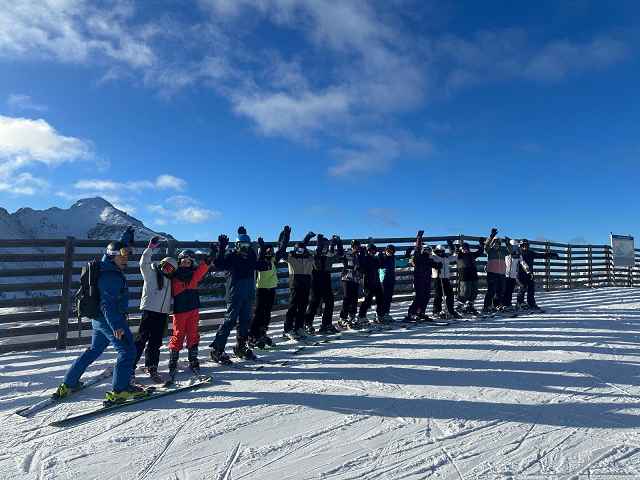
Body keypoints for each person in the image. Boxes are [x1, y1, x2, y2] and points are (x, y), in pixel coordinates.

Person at [56, 227, 146, 403]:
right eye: (123, 255)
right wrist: (117, 326)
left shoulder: (105, 264)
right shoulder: (111, 276)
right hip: (110, 320)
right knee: (127, 351)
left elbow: (114, 248)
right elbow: (107, 305)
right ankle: (120, 390)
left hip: (97, 320)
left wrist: (126, 237)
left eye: (127, 254)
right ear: (113, 256)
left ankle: (69, 383)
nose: (126, 258)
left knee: (94, 350)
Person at [210, 227, 260, 364]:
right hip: (235, 294)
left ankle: (241, 347)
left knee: (245, 321)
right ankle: (217, 349)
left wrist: (243, 236)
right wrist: (221, 249)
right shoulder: (232, 256)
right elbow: (219, 264)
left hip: (248, 293)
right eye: (241, 245)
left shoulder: (251, 256)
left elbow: (258, 265)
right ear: (236, 245)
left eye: (246, 245)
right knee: (229, 321)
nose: (244, 248)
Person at [134, 236, 176, 383]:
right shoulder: (151, 273)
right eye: (165, 266)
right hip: (149, 311)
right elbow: (143, 263)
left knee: (155, 342)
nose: (166, 269)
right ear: (161, 264)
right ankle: (129, 368)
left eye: (170, 268)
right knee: (141, 340)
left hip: (162, 314)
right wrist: (150, 248)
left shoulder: (171, 281)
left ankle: (152, 366)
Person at [167, 246, 213, 379]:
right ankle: (173, 361)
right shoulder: (174, 276)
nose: (186, 263)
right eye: (183, 261)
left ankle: (193, 359)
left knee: (193, 334)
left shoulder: (194, 275)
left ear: (192, 263)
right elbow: (164, 272)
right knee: (178, 334)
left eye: (189, 262)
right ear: (179, 261)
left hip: (193, 310)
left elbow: (203, 269)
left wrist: (210, 257)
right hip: (180, 311)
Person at [248, 232, 287, 349]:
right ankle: (252, 336)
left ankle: (262, 333)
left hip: (272, 289)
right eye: (267, 250)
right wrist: (262, 246)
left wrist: (285, 236)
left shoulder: (274, 260)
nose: (270, 252)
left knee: (267, 313)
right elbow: (259, 261)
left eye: (271, 250)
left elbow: (282, 248)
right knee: (259, 312)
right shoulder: (261, 260)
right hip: (262, 288)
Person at [280, 227, 316, 339]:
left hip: (306, 284)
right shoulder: (291, 258)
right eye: (298, 250)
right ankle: (288, 329)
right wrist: (286, 237)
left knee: (303, 306)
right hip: (295, 285)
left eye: (302, 250)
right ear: (295, 250)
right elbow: (281, 251)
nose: (300, 252)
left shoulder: (309, 258)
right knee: (293, 307)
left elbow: (303, 245)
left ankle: (299, 327)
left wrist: (307, 238)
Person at [305, 233, 340, 335]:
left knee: (330, 301)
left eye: (327, 245)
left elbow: (340, 253)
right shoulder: (314, 253)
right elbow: (304, 248)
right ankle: (307, 323)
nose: (326, 247)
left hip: (326, 279)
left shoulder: (329, 255)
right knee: (314, 302)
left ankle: (326, 324)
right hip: (315, 279)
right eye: (324, 245)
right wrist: (308, 238)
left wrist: (337, 242)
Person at [517, 239, 560, 310]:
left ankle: (531, 304)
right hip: (520, 274)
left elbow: (541, 255)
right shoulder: (518, 253)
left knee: (531, 289)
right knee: (523, 288)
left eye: (526, 245)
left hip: (529, 274)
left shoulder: (531, 253)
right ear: (520, 246)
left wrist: (552, 254)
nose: (525, 247)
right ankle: (520, 303)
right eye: (523, 246)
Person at [404, 230, 436, 322]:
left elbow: (434, 264)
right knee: (419, 296)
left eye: (429, 251)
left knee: (426, 296)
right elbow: (417, 248)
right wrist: (419, 238)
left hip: (427, 280)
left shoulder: (429, 259)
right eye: (426, 250)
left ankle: (421, 312)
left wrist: (438, 265)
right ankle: (411, 313)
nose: (427, 252)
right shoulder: (419, 257)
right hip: (419, 279)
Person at [482, 228, 512, 314]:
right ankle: (486, 306)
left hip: (501, 273)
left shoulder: (503, 251)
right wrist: (491, 236)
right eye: (495, 243)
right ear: (493, 244)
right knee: (491, 290)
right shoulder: (490, 251)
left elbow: (510, 251)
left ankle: (497, 305)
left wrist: (507, 243)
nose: (496, 245)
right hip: (492, 273)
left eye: (498, 243)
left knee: (500, 291)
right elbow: (486, 245)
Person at [337, 239, 365, 329]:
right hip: (347, 277)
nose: (357, 248)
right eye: (355, 246)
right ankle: (343, 318)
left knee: (354, 298)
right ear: (352, 246)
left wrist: (362, 254)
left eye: (358, 246)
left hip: (356, 278)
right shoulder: (348, 252)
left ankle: (352, 316)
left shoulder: (359, 255)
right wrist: (339, 243)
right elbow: (340, 254)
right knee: (347, 297)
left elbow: (361, 265)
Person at [358, 242, 386, 324]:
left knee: (380, 299)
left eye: (374, 251)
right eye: (371, 251)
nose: (373, 252)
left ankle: (380, 315)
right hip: (368, 282)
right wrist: (362, 253)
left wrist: (381, 257)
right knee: (367, 300)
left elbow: (381, 265)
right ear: (368, 251)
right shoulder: (365, 259)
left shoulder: (375, 259)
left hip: (376, 282)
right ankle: (361, 316)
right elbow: (361, 266)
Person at [454, 240, 485, 315]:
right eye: (464, 248)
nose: (465, 250)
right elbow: (455, 251)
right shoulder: (459, 255)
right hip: (464, 275)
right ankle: (459, 307)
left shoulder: (472, 254)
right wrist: (454, 246)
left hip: (473, 275)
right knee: (465, 292)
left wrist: (481, 245)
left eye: (467, 248)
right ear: (462, 249)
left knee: (474, 291)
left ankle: (470, 306)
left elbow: (479, 252)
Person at [431, 242, 460, 319]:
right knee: (438, 295)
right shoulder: (433, 257)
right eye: (438, 251)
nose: (440, 252)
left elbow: (454, 257)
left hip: (446, 278)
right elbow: (428, 255)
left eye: (442, 251)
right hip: (437, 278)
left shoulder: (446, 258)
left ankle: (450, 310)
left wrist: (455, 249)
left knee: (450, 294)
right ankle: (436, 310)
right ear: (436, 251)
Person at [378, 244, 408, 321]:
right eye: (389, 250)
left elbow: (402, 264)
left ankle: (386, 314)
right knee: (383, 298)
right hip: (383, 280)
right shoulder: (382, 257)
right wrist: (380, 256)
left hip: (391, 280)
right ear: (386, 250)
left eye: (392, 251)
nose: (390, 252)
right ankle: (380, 314)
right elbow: (378, 265)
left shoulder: (393, 259)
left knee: (388, 298)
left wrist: (407, 255)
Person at [503, 239, 526, 310]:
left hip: (513, 275)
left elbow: (523, 263)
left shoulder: (518, 255)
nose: (515, 248)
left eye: (516, 247)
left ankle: (508, 304)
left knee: (510, 290)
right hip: (505, 274)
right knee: (504, 290)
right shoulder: (505, 254)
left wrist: (528, 271)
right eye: (513, 246)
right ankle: (503, 304)